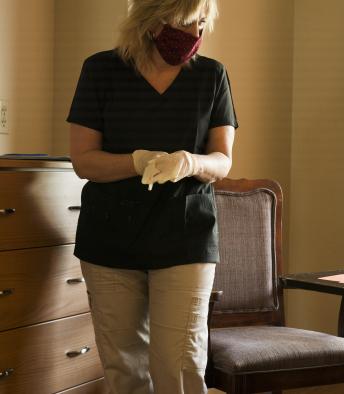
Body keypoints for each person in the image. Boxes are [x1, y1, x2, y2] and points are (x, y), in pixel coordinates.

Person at [67, 0, 237, 392]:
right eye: (187, 22)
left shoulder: (212, 76)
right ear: (152, 20)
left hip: (185, 234)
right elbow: (84, 161)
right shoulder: (101, 71)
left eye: (202, 22)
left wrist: (189, 162)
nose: (197, 33)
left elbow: (222, 161)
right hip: (109, 236)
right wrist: (136, 161)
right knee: (124, 366)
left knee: (178, 363)